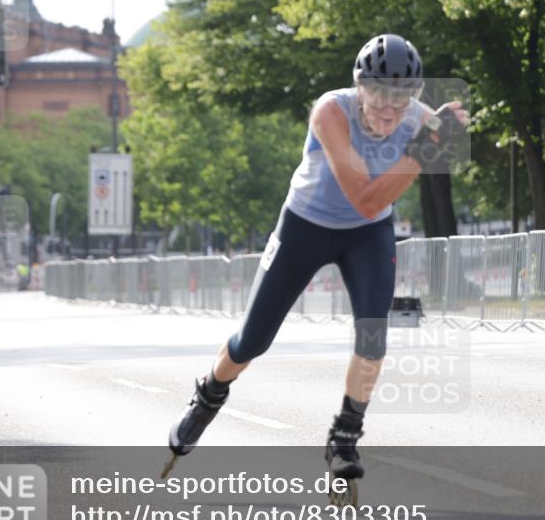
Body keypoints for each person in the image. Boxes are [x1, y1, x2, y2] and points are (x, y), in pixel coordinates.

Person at [163, 34, 469, 483]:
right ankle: (210, 392)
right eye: (380, 97)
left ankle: (344, 436)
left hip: (367, 235)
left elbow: (382, 204)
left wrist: (440, 136)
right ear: (359, 88)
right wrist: (424, 150)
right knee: (253, 341)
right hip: (306, 225)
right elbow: (365, 196)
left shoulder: (421, 120)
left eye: (401, 102)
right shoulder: (330, 111)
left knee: (373, 336)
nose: (388, 112)